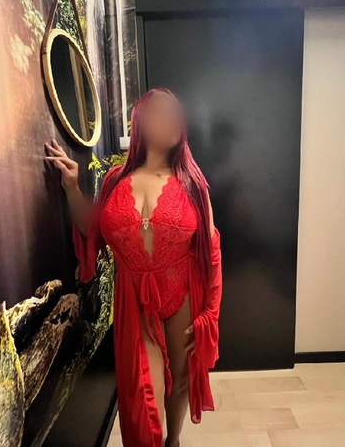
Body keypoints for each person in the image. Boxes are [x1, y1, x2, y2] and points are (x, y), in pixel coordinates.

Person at [44, 88, 223, 447]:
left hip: (183, 293)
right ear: (139, 119)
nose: (170, 119)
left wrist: (210, 312)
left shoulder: (193, 182)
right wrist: (71, 187)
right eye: (159, 111)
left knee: (181, 380)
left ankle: (174, 441)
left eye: (174, 113)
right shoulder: (114, 179)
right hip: (134, 300)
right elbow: (91, 228)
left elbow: (211, 251)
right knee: (145, 397)